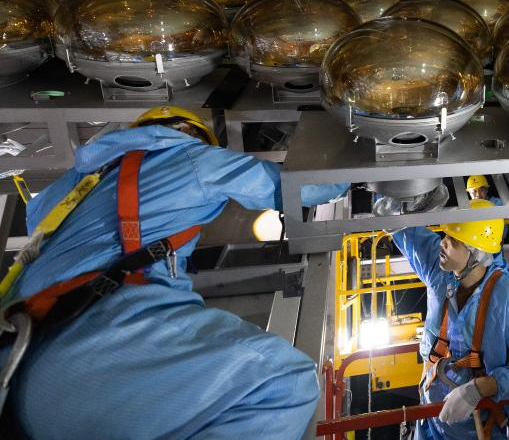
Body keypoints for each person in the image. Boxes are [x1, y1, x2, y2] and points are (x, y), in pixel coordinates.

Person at [0, 106, 319, 439]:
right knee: (281, 383)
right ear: (187, 133)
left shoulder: (69, 187)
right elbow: (304, 188)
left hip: (24, 351)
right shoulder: (190, 157)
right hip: (85, 346)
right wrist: (354, 162)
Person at [391, 206, 509, 439]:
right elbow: (406, 231)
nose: (443, 242)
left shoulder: (508, 303)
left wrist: (480, 388)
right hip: (430, 423)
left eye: (453, 239)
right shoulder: (441, 272)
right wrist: (390, 209)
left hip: (477, 428)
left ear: (476, 253)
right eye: (445, 235)